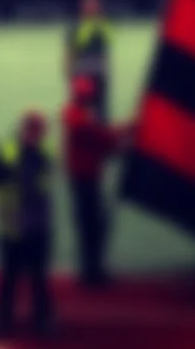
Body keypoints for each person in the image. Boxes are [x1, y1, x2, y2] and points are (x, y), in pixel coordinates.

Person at [0, 109, 54, 338]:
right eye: (31, 129)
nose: (35, 134)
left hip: (37, 225)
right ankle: (3, 317)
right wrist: (7, 173)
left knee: (38, 277)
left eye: (39, 130)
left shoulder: (45, 153)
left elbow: (42, 186)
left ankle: (42, 318)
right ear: (22, 129)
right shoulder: (5, 151)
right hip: (11, 225)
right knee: (9, 276)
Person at [62, 76, 128, 286]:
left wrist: (120, 134)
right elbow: (97, 136)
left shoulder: (84, 115)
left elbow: (101, 139)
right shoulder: (75, 115)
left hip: (90, 178)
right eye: (85, 94)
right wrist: (122, 132)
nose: (87, 97)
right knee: (89, 226)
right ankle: (91, 272)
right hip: (83, 179)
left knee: (94, 226)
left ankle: (93, 269)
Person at [65, 0, 111, 119]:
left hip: (100, 71)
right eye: (89, 6)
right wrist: (69, 72)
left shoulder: (103, 25)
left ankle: (100, 126)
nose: (92, 8)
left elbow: (109, 43)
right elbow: (72, 49)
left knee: (101, 107)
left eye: (95, 6)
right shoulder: (76, 26)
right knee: (82, 106)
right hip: (82, 71)